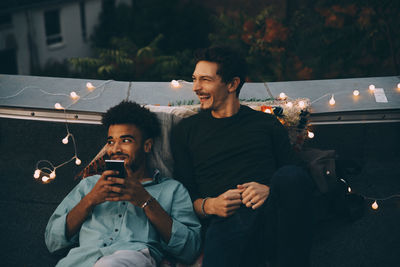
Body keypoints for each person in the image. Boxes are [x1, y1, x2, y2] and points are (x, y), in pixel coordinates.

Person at [170, 46, 314, 267]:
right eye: (194, 79)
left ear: (232, 84)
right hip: (226, 219)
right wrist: (210, 205)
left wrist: (270, 190)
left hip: (272, 214)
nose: (196, 88)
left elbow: (298, 176)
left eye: (205, 80)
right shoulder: (186, 130)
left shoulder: (265, 124)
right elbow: (182, 195)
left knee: (290, 176)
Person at [45, 101, 201, 267]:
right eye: (111, 142)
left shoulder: (172, 190)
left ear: (147, 146)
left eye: (125, 140)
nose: (115, 149)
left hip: (134, 257)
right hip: (81, 261)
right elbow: (52, 242)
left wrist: (146, 201)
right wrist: (90, 200)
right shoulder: (89, 186)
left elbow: (190, 249)